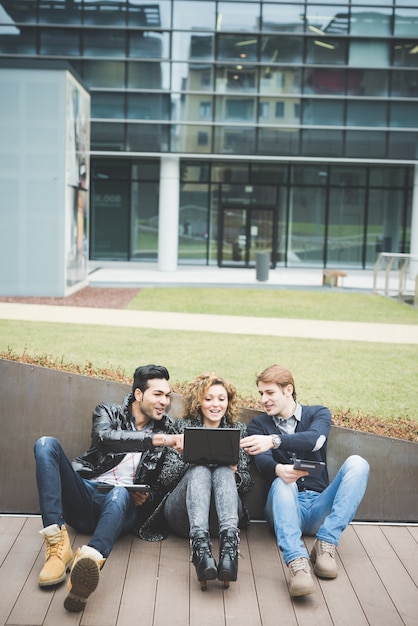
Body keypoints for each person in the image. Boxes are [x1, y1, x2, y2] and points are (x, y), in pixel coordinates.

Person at [34, 364, 183, 612]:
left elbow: (166, 484)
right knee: (45, 444)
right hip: (86, 494)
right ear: (138, 394)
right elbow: (105, 439)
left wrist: (146, 496)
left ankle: (89, 562)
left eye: (168, 395)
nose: (164, 401)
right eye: (158, 394)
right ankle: (57, 549)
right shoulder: (109, 412)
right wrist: (159, 440)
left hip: (121, 509)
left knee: (118, 491)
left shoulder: (170, 428)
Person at [240, 364, 369, 598]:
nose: (264, 400)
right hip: (286, 509)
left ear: (288, 389)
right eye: (261, 394)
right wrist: (280, 469)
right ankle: (297, 563)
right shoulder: (258, 425)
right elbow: (261, 461)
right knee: (282, 482)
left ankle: (326, 544)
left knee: (358, 463)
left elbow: (315, 441)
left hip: (321, 507)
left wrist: (274, 441)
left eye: (270, 393)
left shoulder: (318, 413)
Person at [158, 373, 253, 590]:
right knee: (200, 467)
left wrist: (235, 472)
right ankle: (200, 548)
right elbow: (165, 479)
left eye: (221, 398)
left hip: (223, 518)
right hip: (184, 517)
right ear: (198, 401)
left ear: (228, 402)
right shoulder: (182, 427)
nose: (215, 404)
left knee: (222, 469)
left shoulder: (237, 431)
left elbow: (247, 484)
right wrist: (188, 457)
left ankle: (229, 551)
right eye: (208, 398)